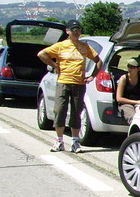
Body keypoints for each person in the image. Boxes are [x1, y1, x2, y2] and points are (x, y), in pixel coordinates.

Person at [37, 20, 102, 153]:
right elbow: (41, 54)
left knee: (76, 113)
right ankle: (59, 140)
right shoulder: (61, 46)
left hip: (79, 83)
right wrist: (55, 65)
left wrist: (92, 76)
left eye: (78, 29)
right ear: (68, 31)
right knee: (60, 110)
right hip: (63, 82)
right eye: (73, 30)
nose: (76, 32)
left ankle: (75, 142)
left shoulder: (85, 47)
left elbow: (99, 61)